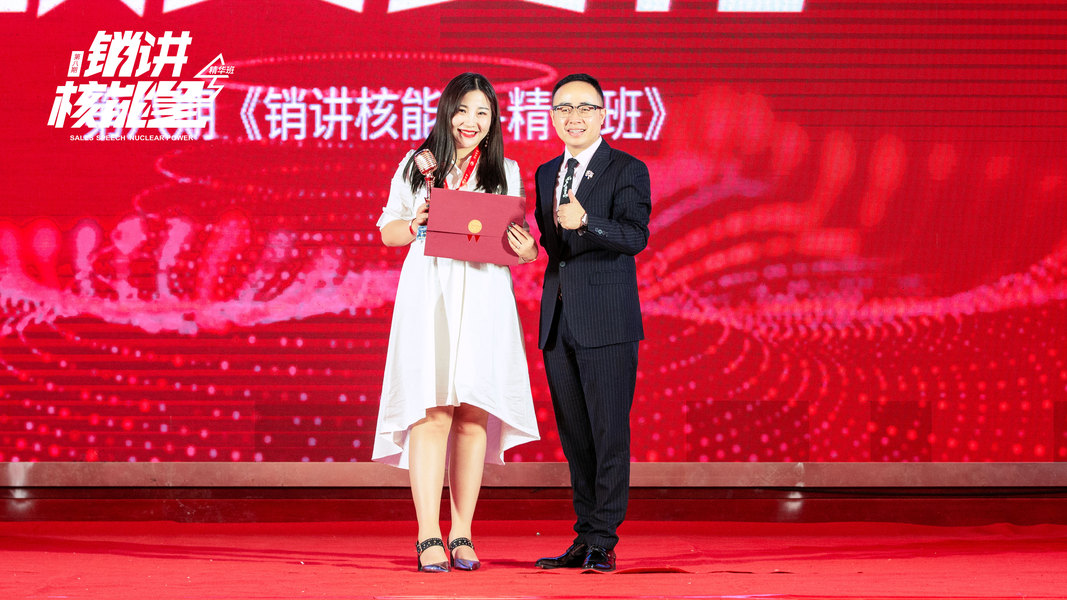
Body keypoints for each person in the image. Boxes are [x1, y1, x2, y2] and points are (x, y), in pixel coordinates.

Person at [373, 72, 540, 573]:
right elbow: (388, 232)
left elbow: (519, 242)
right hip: (431, 294)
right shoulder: (417, 163)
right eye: (463, 110)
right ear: (447, 112)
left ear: (493, 121)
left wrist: (527, 250)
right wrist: (416, 222)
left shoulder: (505, 169)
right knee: (433, 412)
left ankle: (462, 531)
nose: (471, 121)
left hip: (485, 296)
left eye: (482, 113)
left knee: (473, 413)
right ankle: (428, 533)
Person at [531, 73, 652, 573]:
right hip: (558, 321)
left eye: (584, 108)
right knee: (576, 436)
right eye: (563, 108)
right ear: (552, 116)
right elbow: (555, 245)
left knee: (608, 433)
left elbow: (635, 236)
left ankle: (604, 538)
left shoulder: (627, 168)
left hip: (607, 321)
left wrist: (587, 221)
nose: (573, 117)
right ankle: (584, 536)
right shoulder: (546, 173)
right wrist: (528, 247)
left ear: (603, 114)